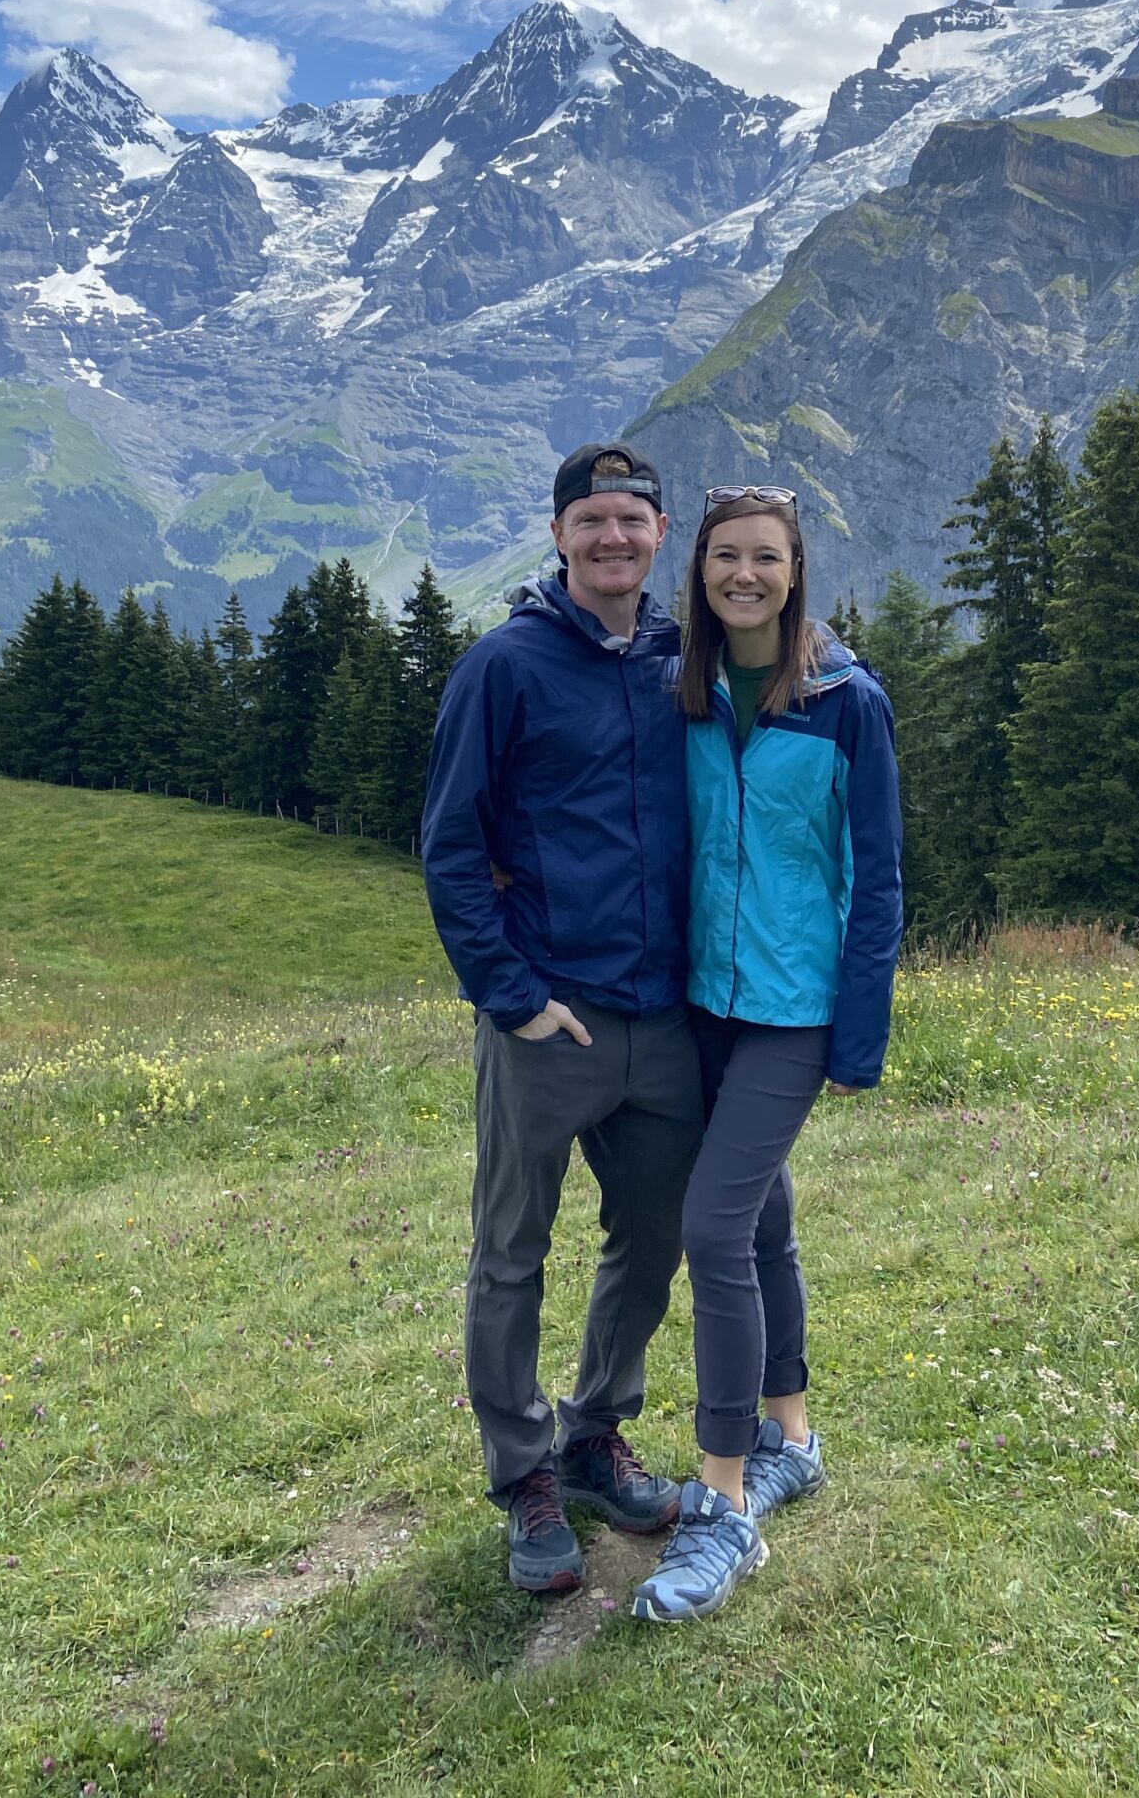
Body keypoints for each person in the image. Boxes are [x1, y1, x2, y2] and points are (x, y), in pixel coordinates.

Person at [422, 443, 705, 1594]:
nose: (612, 538)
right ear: (558, 535)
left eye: (632, 519)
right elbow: (448, 845)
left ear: (660, 530)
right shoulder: (504, 665)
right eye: (591, 519)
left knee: (651, 1242)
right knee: (511, 1255)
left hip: (667, 1017)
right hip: (552, 1020)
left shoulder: (688, 660)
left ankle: (594, 1435)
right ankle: (523, 1476)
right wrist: (514, 997)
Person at [632, 484, 903, 1624]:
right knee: (765, 1221)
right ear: (700, 571)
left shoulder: (847, 701)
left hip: (793, 1010)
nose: (744, 575)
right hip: (706, 1000)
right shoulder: (682, 690)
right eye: (725, 558)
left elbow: (878, 879)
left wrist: (858, 1028)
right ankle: (791, 1433)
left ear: (798, 572)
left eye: (767, 558)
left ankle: (725, 1501)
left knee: (712, 1227)